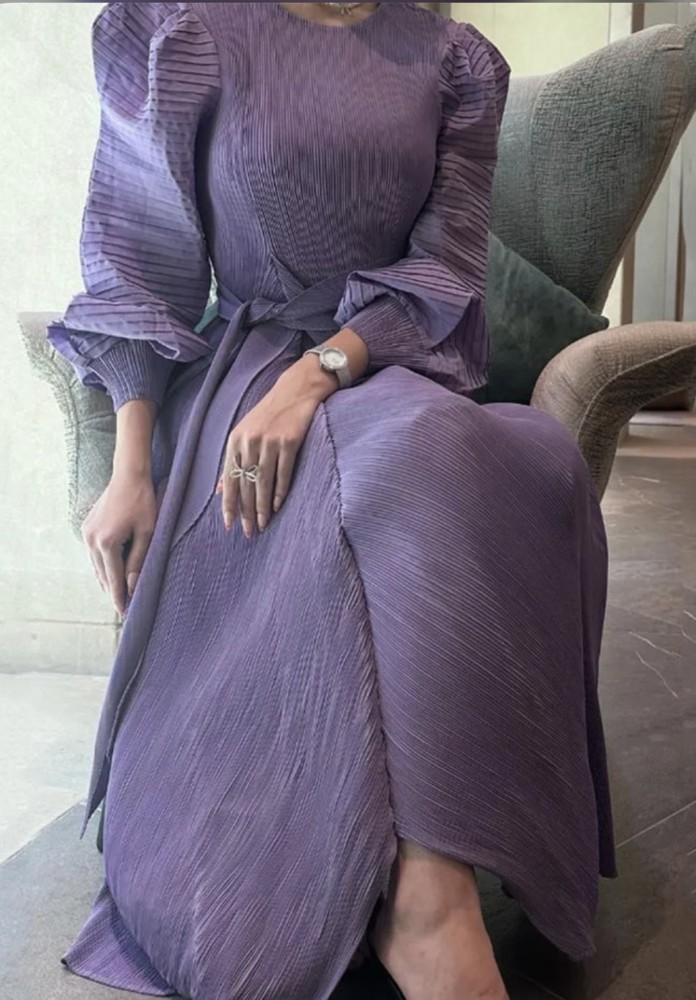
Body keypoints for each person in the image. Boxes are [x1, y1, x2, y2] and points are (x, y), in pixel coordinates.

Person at [49, 3, 616, 999]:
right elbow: (139, 260)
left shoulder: (456, 63)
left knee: (532, 463)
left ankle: (430, 877)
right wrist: (131, 468)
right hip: (240, 381)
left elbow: (445, 269)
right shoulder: (182, 30)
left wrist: (321, 374)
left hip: (378, 367)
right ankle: (424, 907)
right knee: (410, 459)